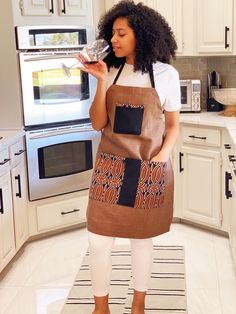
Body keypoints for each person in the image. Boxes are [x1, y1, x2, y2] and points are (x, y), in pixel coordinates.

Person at [77, 1, 181, 313]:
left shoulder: (166, 75)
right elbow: (97, 123)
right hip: (110, 168)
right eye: (112, 34)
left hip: (149, 165)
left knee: (141, 238)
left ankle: (138, 303)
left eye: (122, 33)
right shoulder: (108, 70)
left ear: (142, 35)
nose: (114, 40)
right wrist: (99, 83)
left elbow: (174, 124)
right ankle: (101, 306)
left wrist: (162, 156)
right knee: (97, 240)